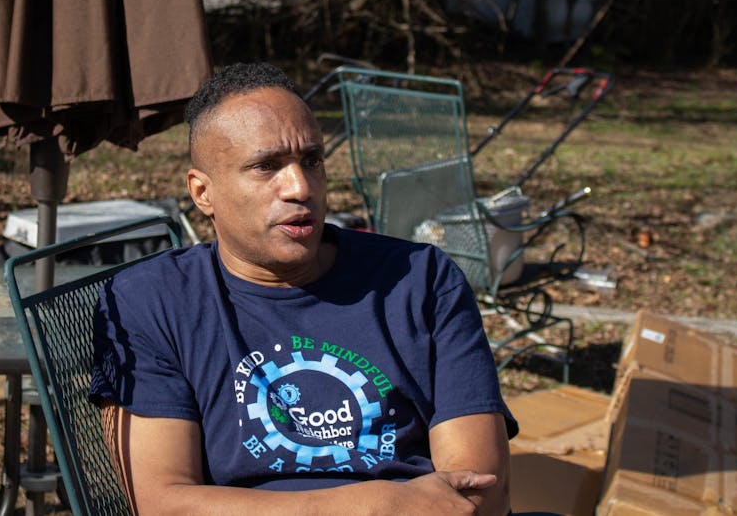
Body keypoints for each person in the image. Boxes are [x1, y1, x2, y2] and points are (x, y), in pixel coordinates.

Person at [90, 62, 517, 515]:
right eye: (266, 166)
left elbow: (478, 493)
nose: (300, 187)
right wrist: (375, 505)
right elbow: (163, 504)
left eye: (311, 161)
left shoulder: (419, 280)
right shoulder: (150, 302)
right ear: (202, 193)